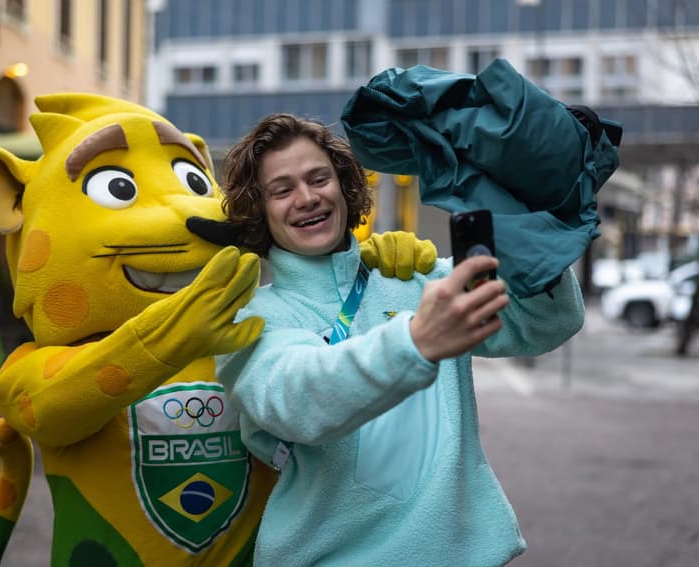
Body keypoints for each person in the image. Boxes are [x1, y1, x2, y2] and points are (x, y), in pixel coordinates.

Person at [215, 113, 585, 566]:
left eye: (319, 179)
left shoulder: (419, 280)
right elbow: (298, 400)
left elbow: (546, 322)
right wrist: (414, 342)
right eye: (282, 189)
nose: (307, 198)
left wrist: (526, 224)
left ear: (344, 186)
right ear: (258, 208)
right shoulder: (253, 318)